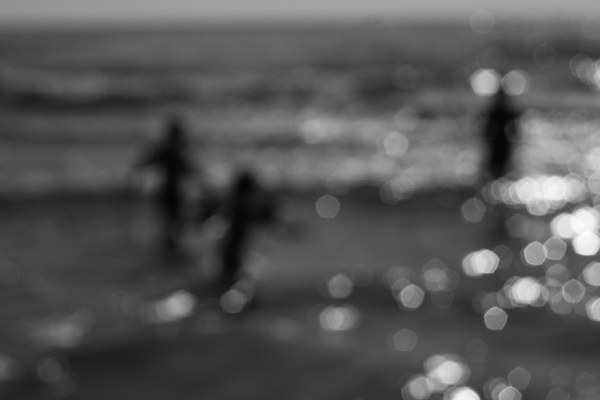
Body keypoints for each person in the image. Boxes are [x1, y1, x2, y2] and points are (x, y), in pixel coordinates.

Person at [136, 116, 195, 251]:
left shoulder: (165, 149)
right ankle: (171, 245)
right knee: (174, 220)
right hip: (174, 191)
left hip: (166, 190)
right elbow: (187, 169)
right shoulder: (176, 150)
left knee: (169, 220)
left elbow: (145, 162)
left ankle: (168, 244)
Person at [481, 86, 520, 181]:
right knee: (497, 165)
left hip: (501, 141)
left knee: (500, 165)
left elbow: (514, 129)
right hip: (498, 141)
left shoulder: (499, 112)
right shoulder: (497, 112)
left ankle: (496, 183)